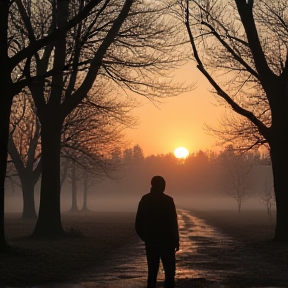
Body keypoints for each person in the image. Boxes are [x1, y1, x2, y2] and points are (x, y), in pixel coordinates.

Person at [135, 175, 179, 288]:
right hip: (167, 243)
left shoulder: (145, 200)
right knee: (169, 274)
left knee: (152, 273)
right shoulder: (168, 201)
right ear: (162, 186)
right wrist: (176, 240)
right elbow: (173, 223)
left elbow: (138, 223)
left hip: (152, 242)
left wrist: (146, 237)